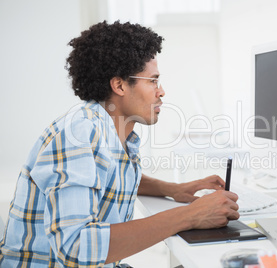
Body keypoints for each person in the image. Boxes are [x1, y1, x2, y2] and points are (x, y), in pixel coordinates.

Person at [0, 21, 239, 267]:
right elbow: (76, 247)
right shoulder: (79, 134)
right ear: (120, 85)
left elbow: (104, 178)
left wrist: (173, 189)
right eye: (153, 81)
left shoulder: (108, 131)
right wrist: (190, 216)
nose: (162, 91)